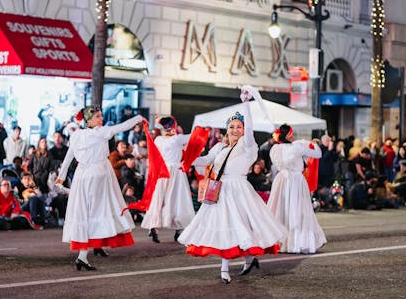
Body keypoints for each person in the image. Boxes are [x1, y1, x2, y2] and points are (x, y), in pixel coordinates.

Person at [178, 85, 287, 284]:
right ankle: (227, 267)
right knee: (225, 227)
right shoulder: (220, 147)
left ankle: (245, 259)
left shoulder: (249, 146)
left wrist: (246, 105)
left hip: (239, 189)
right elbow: (206, 160)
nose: (235, 129)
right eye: (232, 127)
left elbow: (250, 129)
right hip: (220, 191)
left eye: (239, 126)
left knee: (242, 226)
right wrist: (186, 161)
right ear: (226, 130)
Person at [55, 105, 144, 271]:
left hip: (82, 176)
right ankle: (93, 248)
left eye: (100, 116)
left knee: (86, 214)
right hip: (98, 175)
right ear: (89, 120)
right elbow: (121, 127)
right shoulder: (99, 132)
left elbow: (68, 158)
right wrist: (138, 119)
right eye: (97, 116)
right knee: (101, 211)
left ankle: (83, 256)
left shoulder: (77, 135)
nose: (100, 119)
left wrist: (61, 177)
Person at [267, 124, 326, 254]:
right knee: (298, 210)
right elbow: (318, 154)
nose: (292, 135)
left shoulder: (275, 149)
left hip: (281, 179)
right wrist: (314, 143)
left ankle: (279, 241)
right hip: (296, 181)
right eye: (290, 133)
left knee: (281, 210)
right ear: (287, 135)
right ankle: (297, 242)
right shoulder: (298, 147)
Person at [141, 115, 195, 243]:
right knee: (178, 199)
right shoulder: (177, 139)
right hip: (175, 171)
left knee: (159, 198)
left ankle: (154, 226)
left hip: (162, 171)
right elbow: (194, 136)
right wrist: (200, 125)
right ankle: (178, 229)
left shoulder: (158, 140)